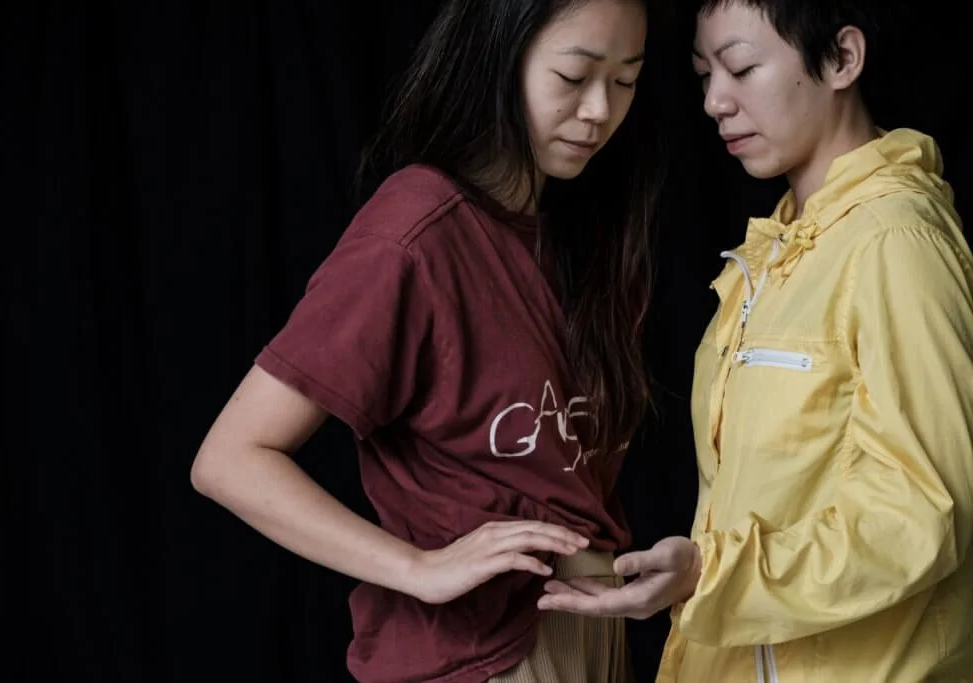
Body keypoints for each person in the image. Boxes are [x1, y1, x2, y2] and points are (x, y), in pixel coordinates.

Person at [190, 0, 662, 681]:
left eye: (625, 81)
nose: (599, 111)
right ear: (499, 57)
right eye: (573, 76)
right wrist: (418, 567)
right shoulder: (416, 229)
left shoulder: (587, 236)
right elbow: (230, 457)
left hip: (588, 633)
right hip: (478, 653)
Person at [535, 0, 973, 680]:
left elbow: (922, 515)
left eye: (740, 68)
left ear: (843, 59)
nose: (715, 101)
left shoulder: (894, 240)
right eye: (704, 74)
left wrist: (710, 573)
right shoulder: (778, 250)